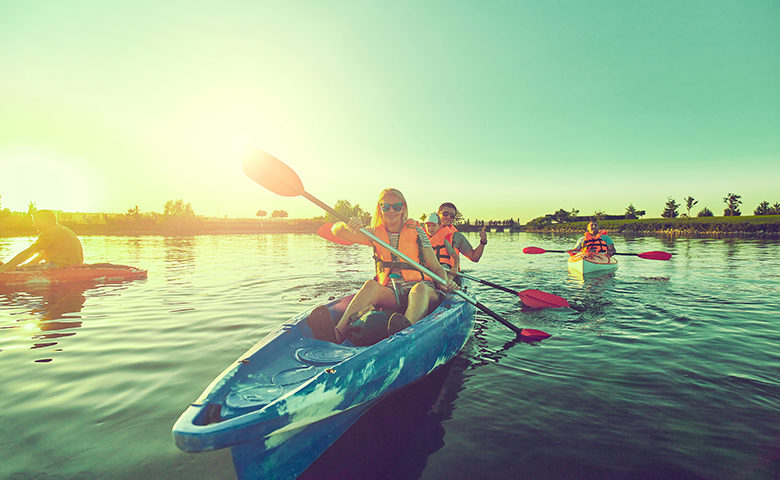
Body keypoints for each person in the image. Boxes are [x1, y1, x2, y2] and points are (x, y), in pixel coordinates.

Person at [308, 188, 457, 343]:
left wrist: (445, 282)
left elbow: (436, 267)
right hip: (393, 293)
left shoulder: (418, 233)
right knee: (370, 285)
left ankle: (404, 336)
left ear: (403, 209)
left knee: (418, 289)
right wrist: (347, 224)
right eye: (386, 206)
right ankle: (337, 333)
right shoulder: (373, 233)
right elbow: (337, 232)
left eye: (396, 206)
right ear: (380, 208)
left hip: (424, 290)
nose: (391, 210)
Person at [0, 210, 84, 274]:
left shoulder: (50, 232)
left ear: (45, 221)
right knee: (20, 268)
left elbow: (30, 251)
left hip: (60, 267)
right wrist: (25, 266)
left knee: (9, 267)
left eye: (35, 221)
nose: (34, 225)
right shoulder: (63, 229)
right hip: (73, 265)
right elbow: (42, 254)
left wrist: (4, 268)